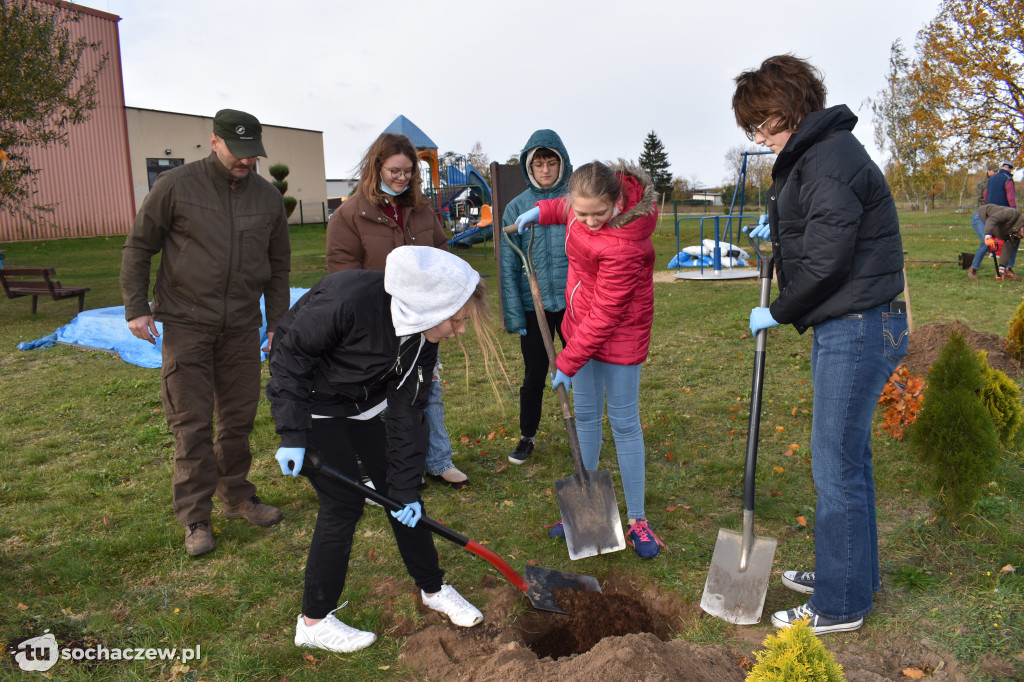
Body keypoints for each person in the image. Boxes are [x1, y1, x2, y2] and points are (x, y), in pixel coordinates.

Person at [733, 54, 909, 634]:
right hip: (850, 320)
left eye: (761, 126)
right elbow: (816, 234)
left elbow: (831, 260)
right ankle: (853, 574)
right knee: (847, 459)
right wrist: (780, 241)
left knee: (835, 463)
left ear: (788, 110)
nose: (759, 138)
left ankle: (840, 604)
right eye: (753, 131)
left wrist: (778, 311)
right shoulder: (815, 155)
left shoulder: (828, 155)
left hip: (858, 322)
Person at [267, 246, 490, 653]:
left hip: (369, 403)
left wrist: (404, 489)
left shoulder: (424, 336)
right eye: (456, 321)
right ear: (429, 305)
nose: (459, 330)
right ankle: (313, 621)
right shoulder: (348, 301)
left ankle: (433, 588)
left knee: (402, 497)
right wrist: (293, 433)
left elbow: (408, 414)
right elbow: (290, 358)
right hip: (316, 404)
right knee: (342, 506)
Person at [120, 109, 291, 557]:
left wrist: (277, 322)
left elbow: (278, 268)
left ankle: (236, 496)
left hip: (240, 326)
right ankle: (195, 516)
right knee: (191, 423)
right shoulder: (175, 186)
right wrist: (137, 308)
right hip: (186, 323)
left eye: (253, 154)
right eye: (238, 152)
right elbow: (139, 246)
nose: (246, 161)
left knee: (238, 419)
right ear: (214, 141)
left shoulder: (267, 198)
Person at [515, 160, 662, 559]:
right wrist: (541, 211)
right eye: (582, 214)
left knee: (624, 423)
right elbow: (565, 208)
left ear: (618, 201)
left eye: (600, 213)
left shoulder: (626, 244)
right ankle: (587, 503)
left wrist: (567, 360)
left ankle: (637, 519)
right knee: (584, 416)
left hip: (620, 337)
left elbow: (607, 314)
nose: (590, 221)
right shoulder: (577, 207)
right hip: (581, 329)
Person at [325, 133, 468, 490]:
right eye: (394, 171)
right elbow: (343, 272)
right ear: (376, 168)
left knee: (427, 388)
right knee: (380, 396)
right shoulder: (349, 215)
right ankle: (384, 468)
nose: (401, 178)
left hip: (423, 318)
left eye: (408, 172)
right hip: (377, 321)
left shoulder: (420, 210)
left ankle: (438, 459)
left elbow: (440, 253)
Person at [500, 130, 572, 465]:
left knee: (581, 370)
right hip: (535, 307)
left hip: (574, 304)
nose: (545, 169)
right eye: (539, 163)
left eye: (551, 162)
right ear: (529, 166)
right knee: (534, 376)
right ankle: (527, 436)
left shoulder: (577, 200)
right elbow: (508, 265)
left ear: (562, 163)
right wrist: (515, 315)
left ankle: (584, 432)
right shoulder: (516, 207)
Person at [971, 162, 1020, 278]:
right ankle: (973, 269)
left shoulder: (992, 179)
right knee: (986, 242)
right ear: (1011, 170)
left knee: (1012, 240)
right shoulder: (1008, 179)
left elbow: (986, 195)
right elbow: (1011, 198)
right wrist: (1013, 213)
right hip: (1001, 215)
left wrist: (989, 208)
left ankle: (1004, 269)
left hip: (991, 212)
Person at [978, 204, 1024, 279]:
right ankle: (973, 270)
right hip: (981, 215)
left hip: (994, 226)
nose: (1019, 237)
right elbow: (992, 219)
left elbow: (1006, 250)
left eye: (1021, 236)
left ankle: (1006, 270)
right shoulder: (1012, 214)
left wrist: (1001, 269)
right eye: (1020, 234)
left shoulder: (1014, 233)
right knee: (984, 244)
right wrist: (988, 236)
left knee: (1013, 243)